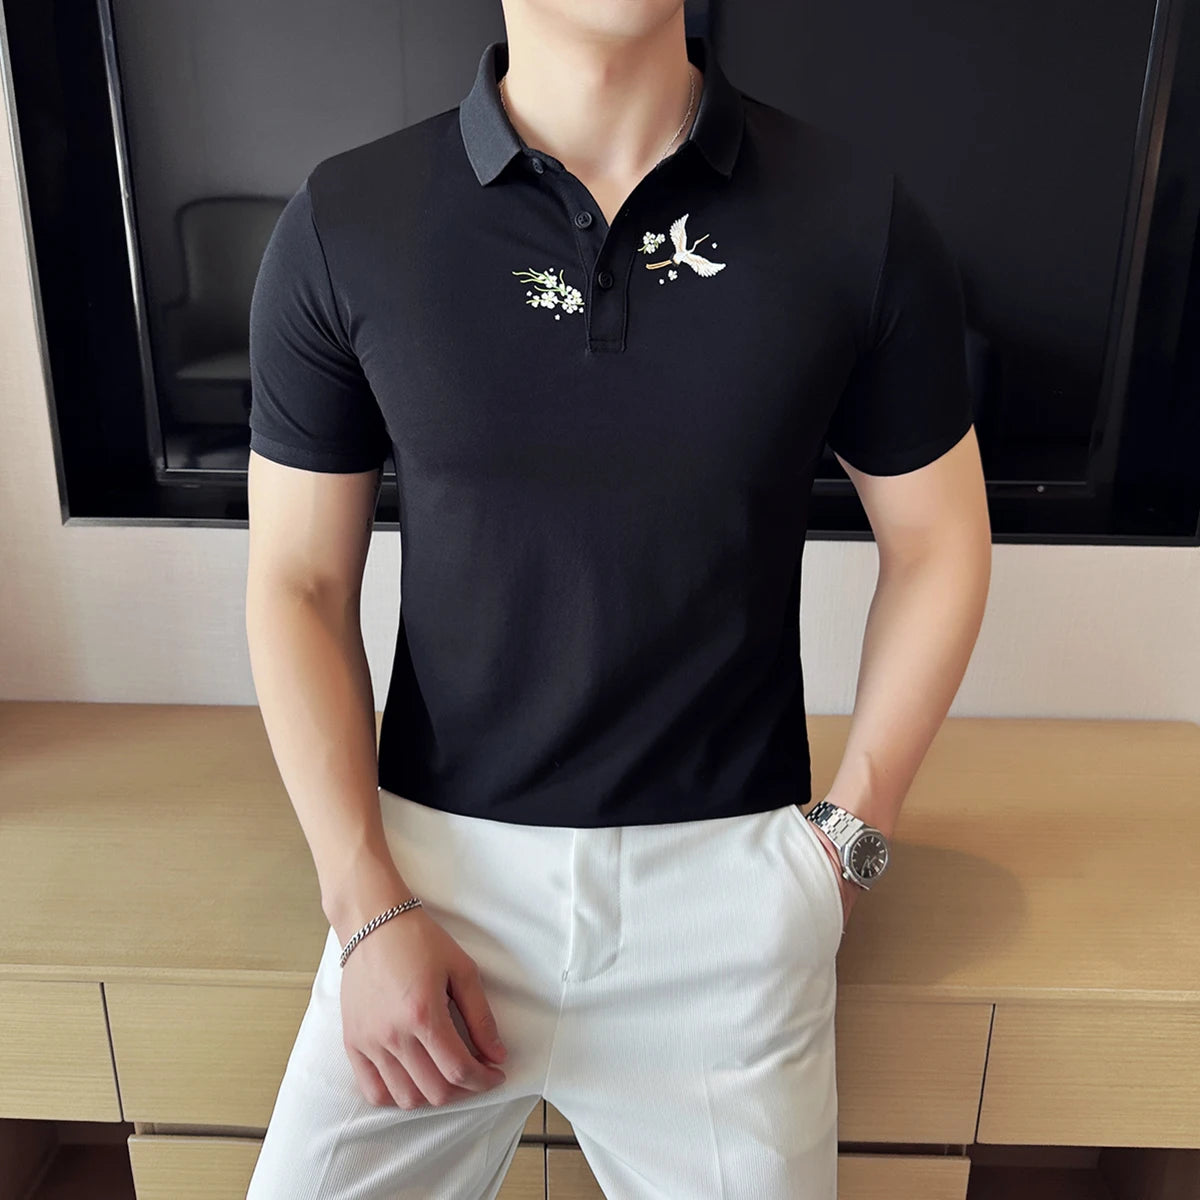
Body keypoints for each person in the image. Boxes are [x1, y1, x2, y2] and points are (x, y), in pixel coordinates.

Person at [242, 1, 991, 1196]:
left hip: (731, 903)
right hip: (426, 889)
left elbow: (940, 540)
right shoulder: (348, 219)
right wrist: (363, 900)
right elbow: (300, 580)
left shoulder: (858, 218)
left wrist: (848, 844)